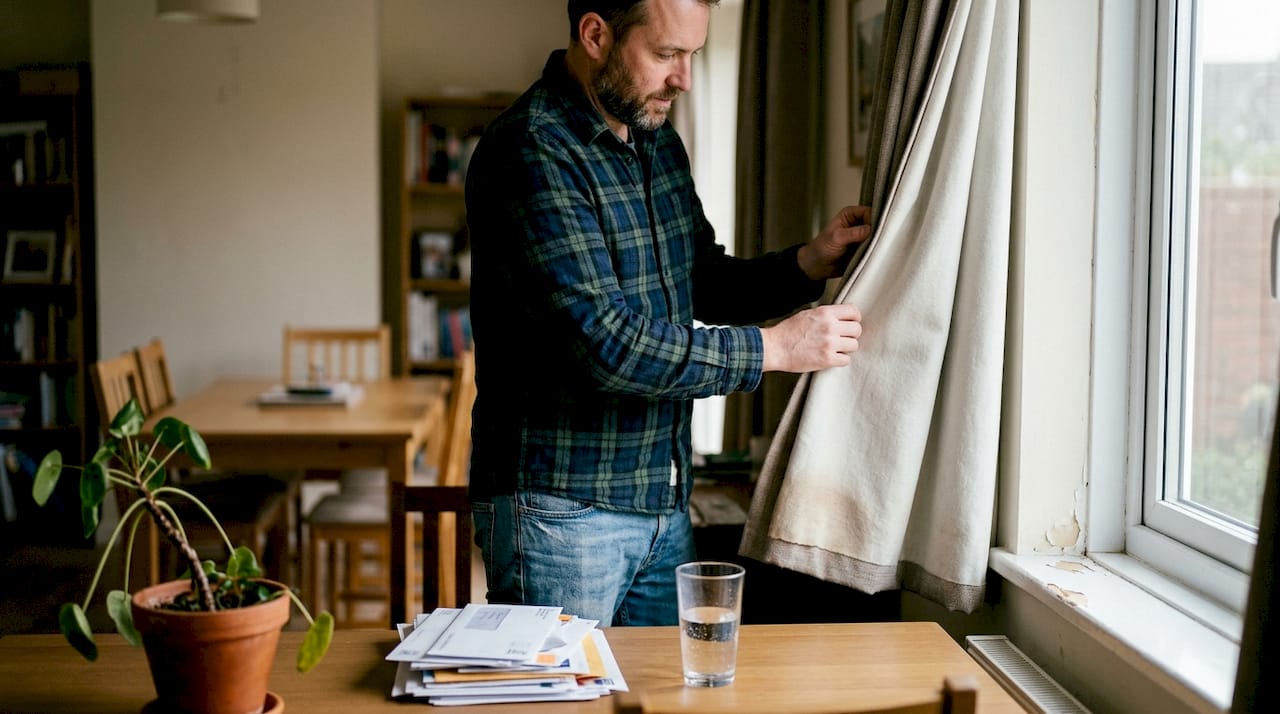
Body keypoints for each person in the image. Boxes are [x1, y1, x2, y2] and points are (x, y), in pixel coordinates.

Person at [464, 0, 870, 626]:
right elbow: (605, 343)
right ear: (595, 34)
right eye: (665, 54)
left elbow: (702, 280)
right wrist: (773, 349)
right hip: (559, 513)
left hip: (663, 502)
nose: (683, 78)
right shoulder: (530, 149)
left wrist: (808, 263)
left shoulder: (657, 141)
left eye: (693, 56)